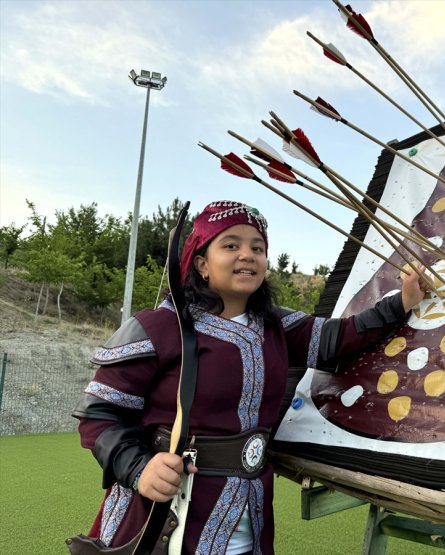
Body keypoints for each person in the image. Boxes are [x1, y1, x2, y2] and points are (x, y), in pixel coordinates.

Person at [72, 200, 426, 555]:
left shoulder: (276, 327)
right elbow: (100, 417)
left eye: (258, 248)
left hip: (249, 514)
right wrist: (139, 469)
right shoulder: (159, 328)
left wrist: (402, 301)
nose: (248, 255)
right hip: (163, 512)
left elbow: (340, 338)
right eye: (231, 245)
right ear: (201, 264)